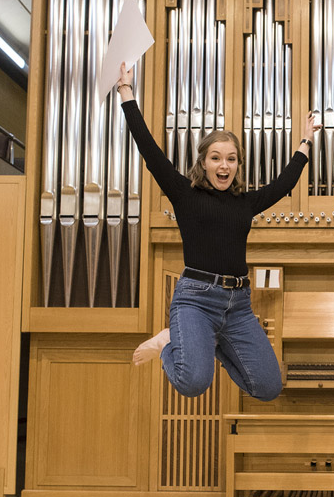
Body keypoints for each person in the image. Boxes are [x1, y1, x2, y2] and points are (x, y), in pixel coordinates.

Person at [117, 62, 318, 401]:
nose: (224, 166)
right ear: (204, 163)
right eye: (215, 158)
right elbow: (150, 152)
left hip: (238, 305)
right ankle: (169, 342)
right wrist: (126, 93)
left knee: (269, 387)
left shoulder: (244, 202)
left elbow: (285, 184)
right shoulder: (185, 194)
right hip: (196, 299)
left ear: (238, 164)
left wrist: (305, 142)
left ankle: (207, 342)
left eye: (231, 159)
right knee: (195, 382)